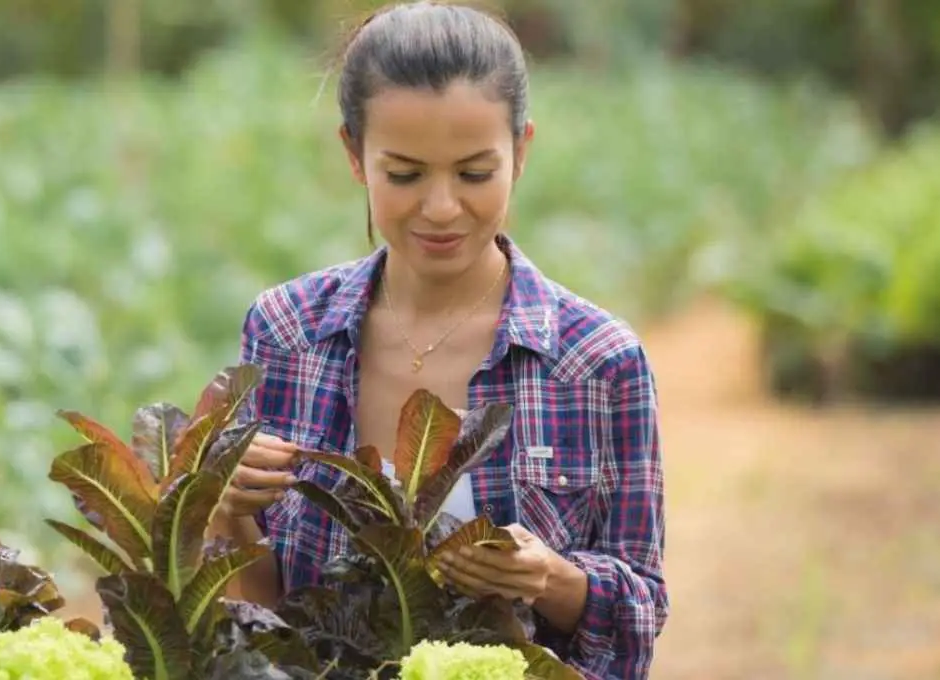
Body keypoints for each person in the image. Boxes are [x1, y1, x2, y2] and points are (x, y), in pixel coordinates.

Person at [207, 2, 667, 678]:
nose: (443, 207)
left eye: (475, 173)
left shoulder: (597, 361)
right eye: (405, 174)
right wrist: (228, 513)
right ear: (354, 155)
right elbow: (269, 621)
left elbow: (639, 616)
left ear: (523, 151)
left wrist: (548, 576)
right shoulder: (285, 332)